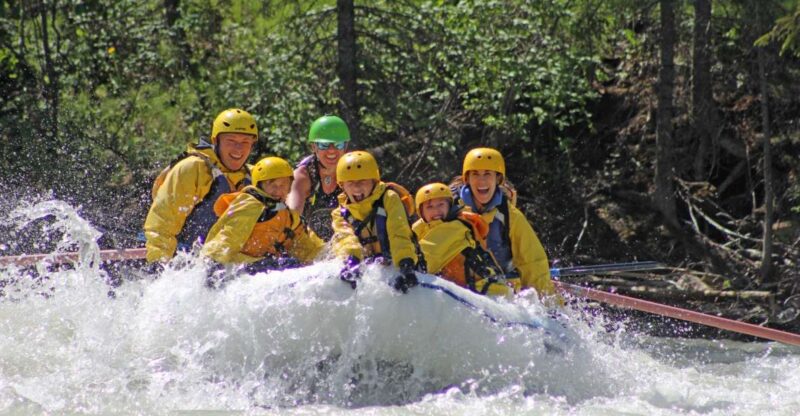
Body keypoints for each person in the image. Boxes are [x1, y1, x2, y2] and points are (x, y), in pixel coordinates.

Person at [143, 108, 257, 263]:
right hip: (188, 261)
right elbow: (162, 223)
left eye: (245, 142)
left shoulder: (255, 176)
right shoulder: (193, 169)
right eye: (231, 141)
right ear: (216, 141)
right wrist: (159, 265)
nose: (238, 149)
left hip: (231, 265)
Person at [452, 147, 558, 300]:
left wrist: (547, 303)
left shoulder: (511, 217)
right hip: (458, 287)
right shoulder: (448, 209)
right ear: (467, 179)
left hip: (499, 290)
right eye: (475, 174)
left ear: (498, 179)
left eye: (487, 174)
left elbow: (533, 263)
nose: (481, 180)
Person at [201, 156, 323, 269]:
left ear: (290, 186)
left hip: (259, 266)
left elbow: (307, 246)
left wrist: (326, 259)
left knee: (293, 264)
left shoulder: (289, 216)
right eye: (272, 184)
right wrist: (213, 263)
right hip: (236, 267)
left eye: (283, 185)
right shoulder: (250, 205)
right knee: (286, 264)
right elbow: (228, 236)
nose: (278, 190)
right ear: (260, 185)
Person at [330, 150, 420, 292]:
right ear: (342, 185)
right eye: (350, 182)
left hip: (398, 262)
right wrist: (351, 261)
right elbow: (345, 238)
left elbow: (399, 232)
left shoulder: (389, 199)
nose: (357, 187)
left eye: (363, 181)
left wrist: (405, 264)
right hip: (369, 267)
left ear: (374, 181)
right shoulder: (340, 212)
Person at [412, 182, 514, 297]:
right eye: (429, 207)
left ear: (449, 206)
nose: (436, 210)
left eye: (441, 204)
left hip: (487, 292)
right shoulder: (427, 230)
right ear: (421, 212)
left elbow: (426, 259)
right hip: (474, 292)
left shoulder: (454, 228)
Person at [286, 115, 350, 240]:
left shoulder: (352, 172)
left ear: (345, 147)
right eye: (324, 145)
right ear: (313, 147)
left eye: (338, 144)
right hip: (308, 243)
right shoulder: (302, 176)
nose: (332, 150)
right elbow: (292, 220)